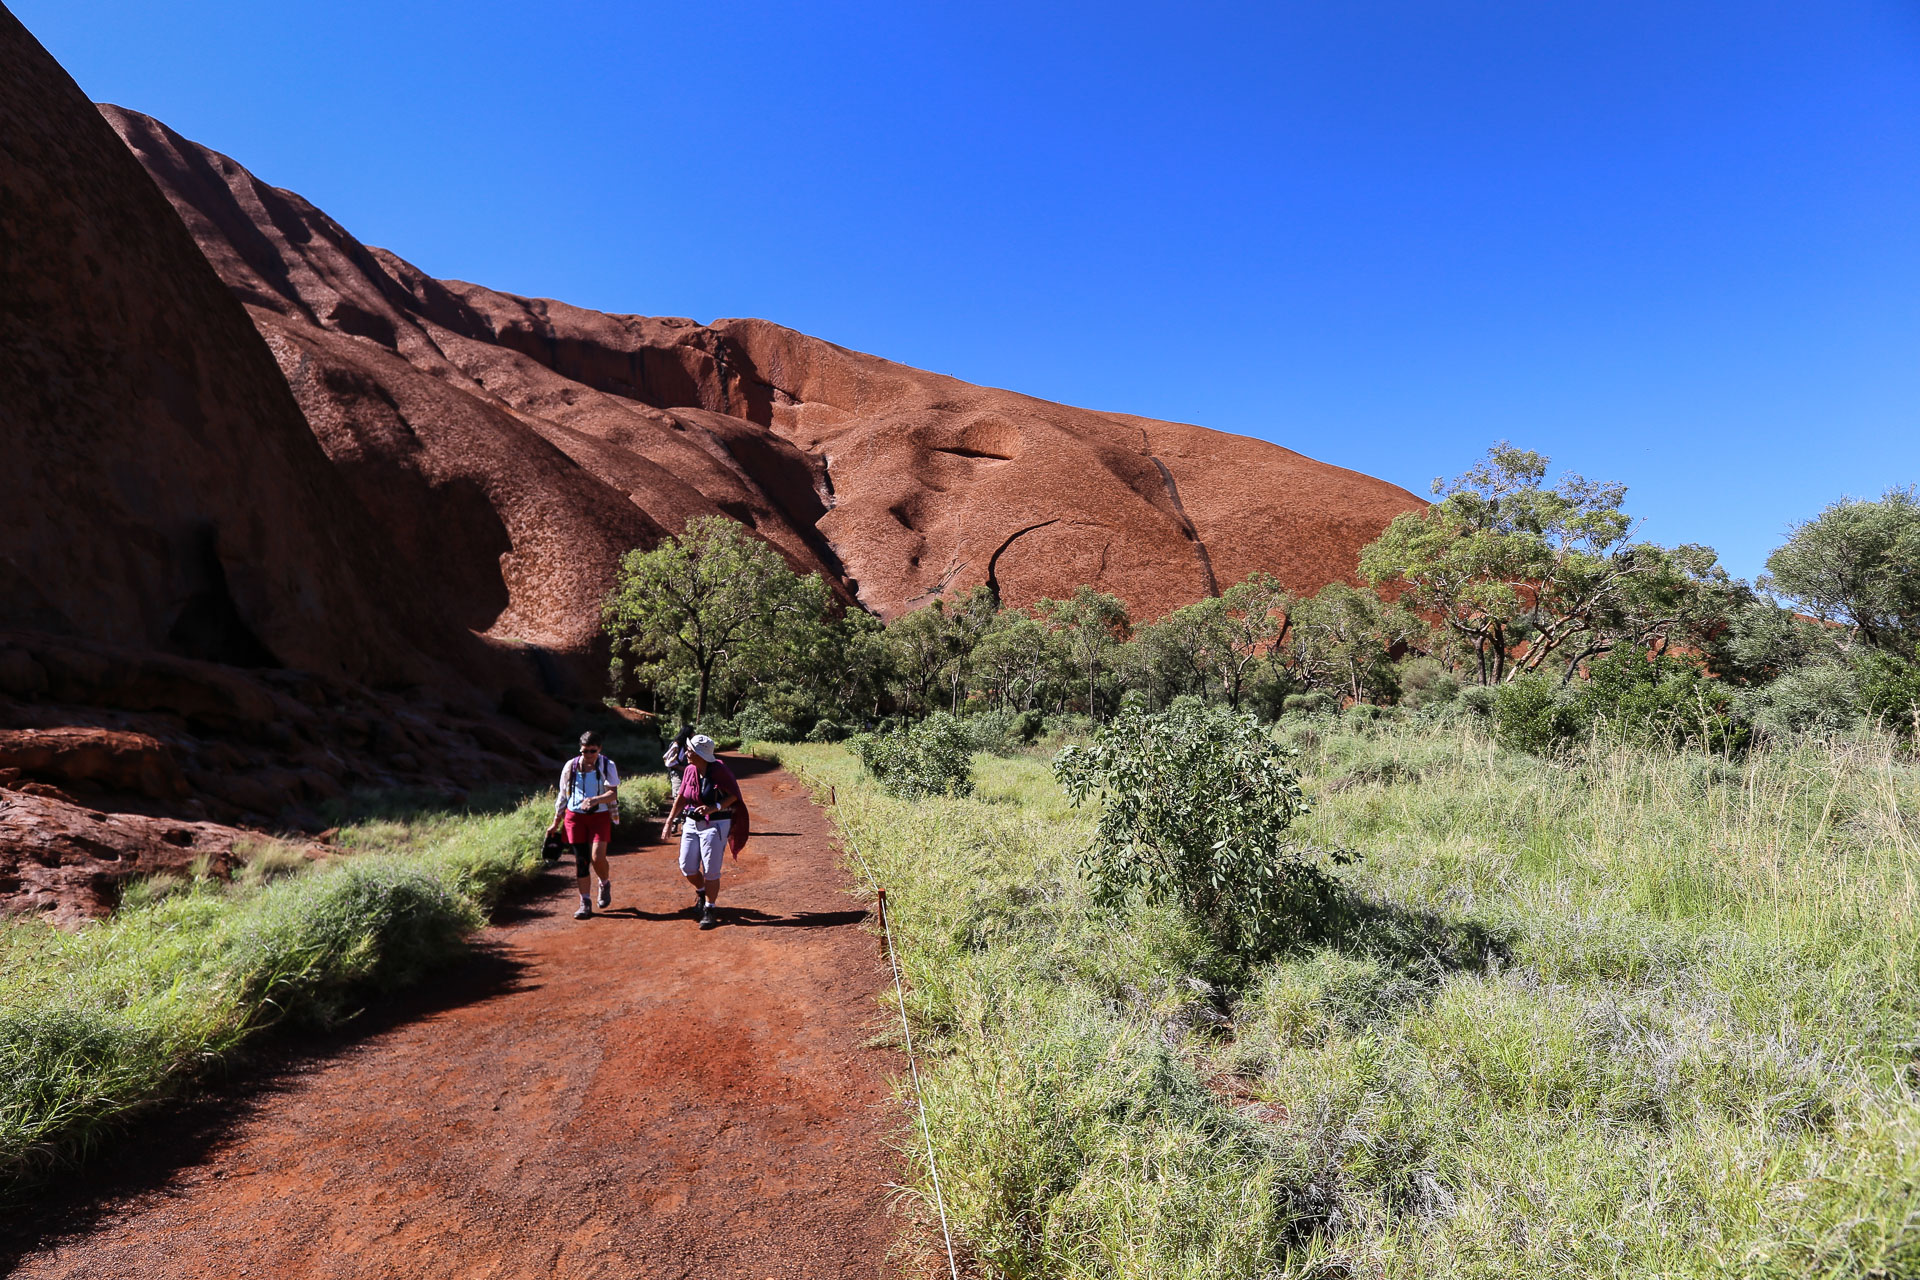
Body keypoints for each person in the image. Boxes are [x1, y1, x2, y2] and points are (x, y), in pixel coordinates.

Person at [658, 733, 748, 929]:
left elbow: (734, 795)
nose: (687, 752)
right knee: (687, 866)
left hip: (716, 824)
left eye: (690, 750)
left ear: (700, 754)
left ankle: (709, 908)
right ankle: (701, 891)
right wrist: (669, 820)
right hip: (691, 823)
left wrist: (713, 806)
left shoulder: (719, 770)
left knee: (710, 870)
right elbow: (682, 796)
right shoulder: (690, 770)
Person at [547, 731, 620, 919]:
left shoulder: (607, 765)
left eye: (592, 751)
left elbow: (613, 793)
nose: (588, 755)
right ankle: (585, 902)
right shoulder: (570, 766)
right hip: (574, 818)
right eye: (584, 751)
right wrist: (555, 822)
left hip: (600, 816)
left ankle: (604, 882)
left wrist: (594, 800)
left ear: (600, 749)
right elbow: (562, 795)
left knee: (597, 857)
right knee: (581, 861)